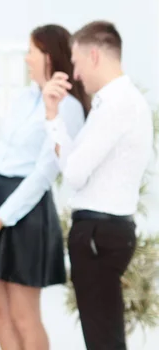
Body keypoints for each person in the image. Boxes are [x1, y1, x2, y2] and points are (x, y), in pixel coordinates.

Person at [0, 24, 89, 350]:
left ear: (48, 55)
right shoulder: (20, 98)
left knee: (24, 314)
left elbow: (43, 175)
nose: (26, 59)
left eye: (31, 51)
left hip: (25, 213)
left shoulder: (67, 107)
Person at [43, 20, 153, 350]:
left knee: (103, 339)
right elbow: (75, 165)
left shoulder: (117, 104)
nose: (75, 74)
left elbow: (74, 173)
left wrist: (53, 121)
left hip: (98, 234)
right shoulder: (114, 103)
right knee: (102, 335)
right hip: (101, 232)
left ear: (93, 56)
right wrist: (54, 120)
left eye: (75, 63)